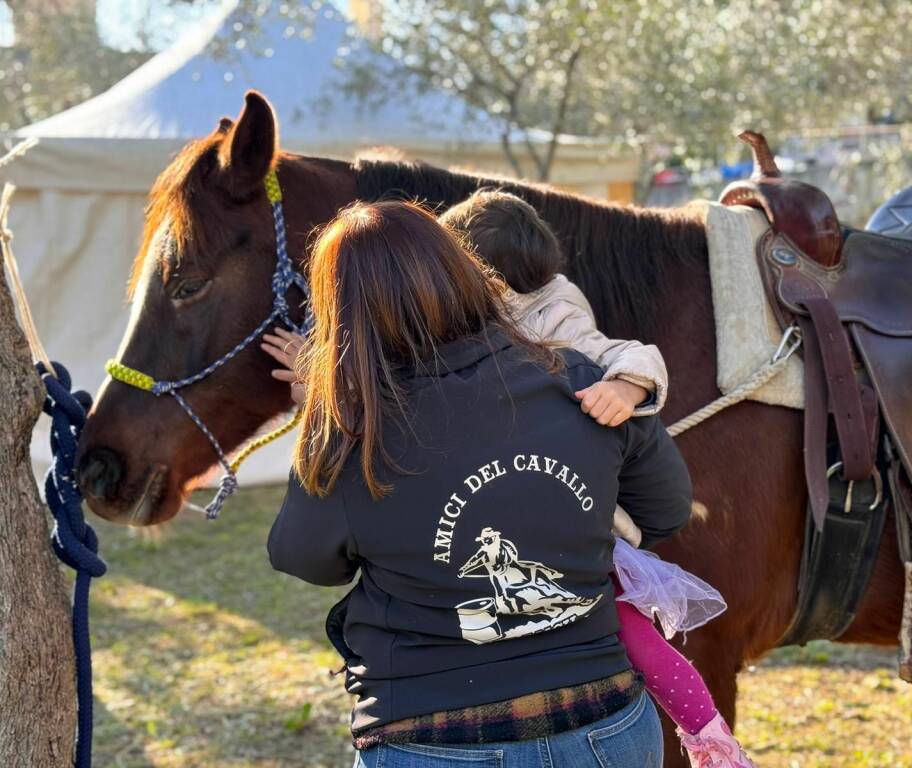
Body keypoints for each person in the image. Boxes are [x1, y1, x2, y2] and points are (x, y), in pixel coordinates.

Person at [263, 200, 693, 767]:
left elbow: (305, 560)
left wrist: (326, 415)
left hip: (431, 736)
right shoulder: (581, 381)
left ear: (342, 316)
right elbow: (665, 510)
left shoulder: (353, 433)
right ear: (463, 271)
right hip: (605, 725)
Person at [436, 189, 754, 768]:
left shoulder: (557, 316)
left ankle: (709, 735)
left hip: (566, 512)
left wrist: (623, 387)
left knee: (629, 628)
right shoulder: (452, 315)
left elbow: (635, 354)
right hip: (504, 499)